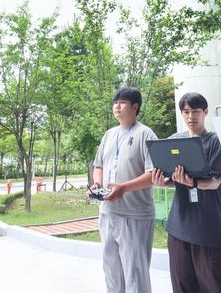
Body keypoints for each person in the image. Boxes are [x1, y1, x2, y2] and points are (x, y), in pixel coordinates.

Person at [152, 92, 221, 293]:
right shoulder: (174, 141)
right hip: (179, 226)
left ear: (205, 112)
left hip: (207, 226)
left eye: (195, 111)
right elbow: (174, 180)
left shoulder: (216, 142)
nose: (190, 117)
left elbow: (215, 183)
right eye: (186, 112)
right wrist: (162, 182)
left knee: (214, 283)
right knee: (181, 284)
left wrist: (193, 182)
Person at [91, 87, 158, 293]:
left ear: (135, 107)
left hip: (134, 215)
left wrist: (123, 188)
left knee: (135, 273)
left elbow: (153, 174)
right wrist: (97, 185)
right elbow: (98, 165)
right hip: (107, 213)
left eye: (122, 103)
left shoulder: (145, 134)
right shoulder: (109, 134)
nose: (117, 107)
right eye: (115, 103)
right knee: (111, 271)